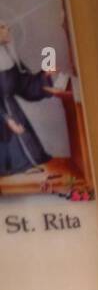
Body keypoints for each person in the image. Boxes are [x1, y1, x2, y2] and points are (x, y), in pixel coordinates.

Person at [0, 21, 54, 177]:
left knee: (32, 153)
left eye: (6, 27)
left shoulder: (7, 56)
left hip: (12, 111)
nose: (7, 30)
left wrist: (45, 75)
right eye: (2, 27)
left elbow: (25, 86)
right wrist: (7, 120)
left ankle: (25, 164)